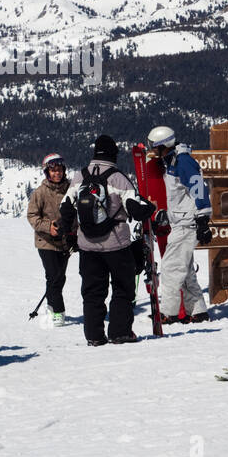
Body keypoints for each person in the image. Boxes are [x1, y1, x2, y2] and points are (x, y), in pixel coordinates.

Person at [58, 135, 156, 345]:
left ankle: (94, 336)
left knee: (93, 291)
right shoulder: (118, 178)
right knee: (122, 287)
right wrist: (152, 207)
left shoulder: (79, 176)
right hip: (116, 244)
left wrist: (69, 235)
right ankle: (120, 332)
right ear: (113, 154)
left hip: (87, 245)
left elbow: (65, 207)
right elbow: (136, 209)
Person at [146, 126, 212, 324]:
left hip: (187, 224)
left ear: (162, 146)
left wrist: (202, 219)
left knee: (171, 267)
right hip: (181, 221)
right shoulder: (172, 162)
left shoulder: (183, 162)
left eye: (154, 146)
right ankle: (198, 309)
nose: (152, 150)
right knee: (186, 270)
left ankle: (168, 312)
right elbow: (180, 195)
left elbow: (199, 188)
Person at [26, 153, 73, 327]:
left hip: (66, 241)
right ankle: (57, 312)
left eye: (59, 170)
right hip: (46, 241)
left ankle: (52, 304)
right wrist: (48, 227)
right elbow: (32, 216)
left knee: (60, 277)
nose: (57, 174)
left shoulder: (71, 189)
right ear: (47, 172)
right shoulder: (41, 192)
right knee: (53, 276)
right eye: (53, 171)